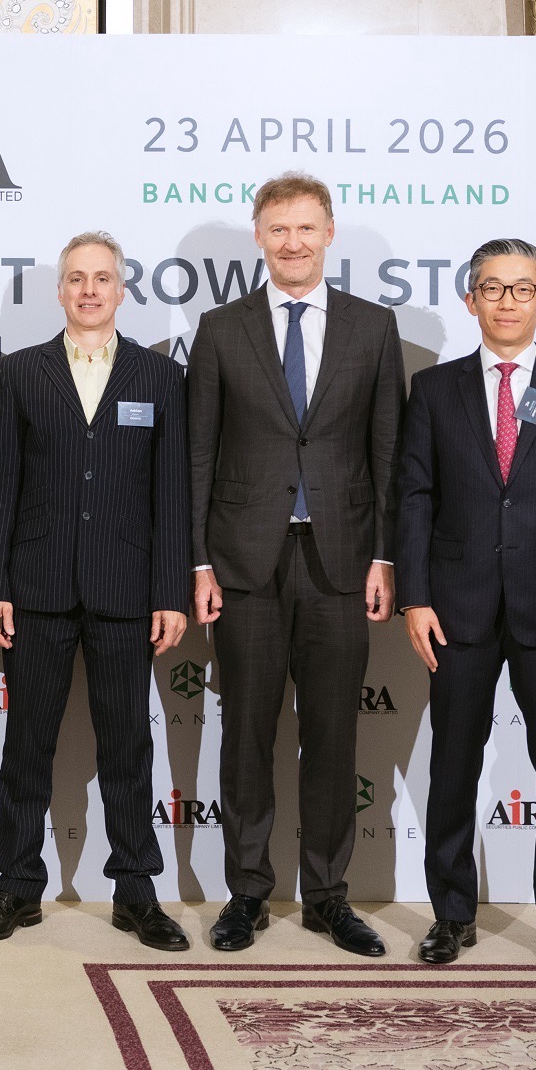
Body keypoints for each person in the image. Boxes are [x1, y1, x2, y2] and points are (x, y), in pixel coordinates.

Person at [395, 238, 536, 983]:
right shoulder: (434, 391)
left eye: (521, 289)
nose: (505, 301)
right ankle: (451, 915)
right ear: (470, 300)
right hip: (455, 609)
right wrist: (417, 597)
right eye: (491, 288)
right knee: (453, 766)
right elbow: (416, 498)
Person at [186, 174, 404, 957]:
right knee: (245, 732)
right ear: (258, 236)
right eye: (278, 228)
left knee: (334, 735)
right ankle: (246, 892)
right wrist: (199, 563)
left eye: (306, 227)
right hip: (244, 563)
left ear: (330, 232)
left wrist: (385, 555)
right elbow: (198, 455)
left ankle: (328, 895)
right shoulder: (219, 328)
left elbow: (388, 453)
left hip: (341, 560)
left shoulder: (374, 328)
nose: (293, 242)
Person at [0, 233, 191, 952]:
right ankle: (15, 885)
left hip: (128, 589)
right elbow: (2, 489)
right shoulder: (22, 372)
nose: (89, 289)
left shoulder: (159, 377)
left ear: (122, 289)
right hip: (36, 590)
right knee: (27, 742)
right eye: (75, 279)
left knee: (127, 744)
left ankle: (136, 890)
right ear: (59, 292)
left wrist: (171, 591)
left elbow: (172, 494)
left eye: (102, 278)